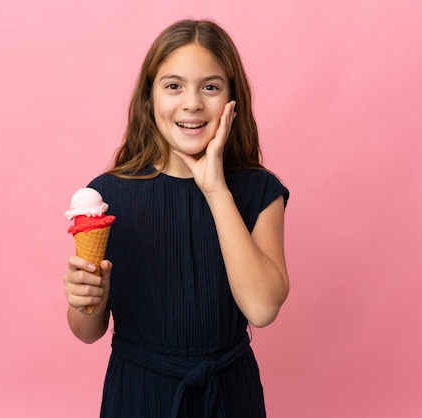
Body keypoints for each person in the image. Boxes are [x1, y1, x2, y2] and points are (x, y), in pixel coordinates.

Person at [62, 19, 290, 418]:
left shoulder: (259, 191)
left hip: (229, 394)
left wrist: (216, 190)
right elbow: (87, 332)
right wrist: (85, 301)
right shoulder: (106, 195)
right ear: (149, 99)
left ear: (232, 99)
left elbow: (262, 309)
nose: (192, 103)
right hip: (138, 394)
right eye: (173, 86)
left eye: (210, 86)